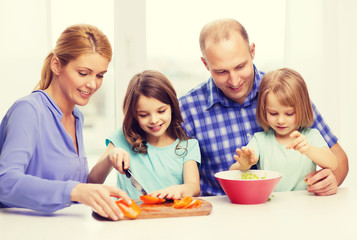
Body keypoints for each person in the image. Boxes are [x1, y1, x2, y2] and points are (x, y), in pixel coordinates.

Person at [179, 18, 348, 196]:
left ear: (252, 52)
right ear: (206, 64)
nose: (234, 81)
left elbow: (339, 160)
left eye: (240, 66)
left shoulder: (283, 92)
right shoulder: (187, 109)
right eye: (221, 71)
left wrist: (331, 180)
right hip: (220, 214)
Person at [0, 24, 131, 221]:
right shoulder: (28, 110)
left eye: (100, 75)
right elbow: (5, 183)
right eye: (83, 73)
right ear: (56, 65)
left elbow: (76, 186)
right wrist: (75, 190)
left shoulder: (77, 117)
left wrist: (109, 157)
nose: (93, 84)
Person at [88, 70, 201, 200]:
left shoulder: (188, 146)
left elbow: (194, 187)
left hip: (171, 217)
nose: (153, 120)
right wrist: (109, 158)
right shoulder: (123, 137)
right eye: (144, 115)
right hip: (130, 217)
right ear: (134, 115)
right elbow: (92, 182)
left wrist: (178, 190)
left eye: (161, 111)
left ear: (172, 107)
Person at [229, 68, 337, 191]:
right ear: (264, 110)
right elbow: (232, 172)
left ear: (303, 109)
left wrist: (308, 149)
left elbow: (333, 163)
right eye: (273, 113)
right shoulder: (260, 140)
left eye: (289, 113)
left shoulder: (311, 136)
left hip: (305, 206)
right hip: (270, 207)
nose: (281, 120)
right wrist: (244, 164)